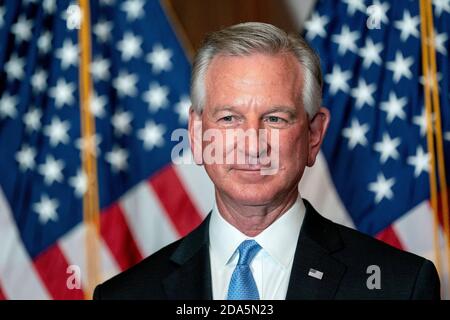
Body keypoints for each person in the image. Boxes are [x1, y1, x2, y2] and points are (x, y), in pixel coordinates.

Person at [93, 22, 440, 300]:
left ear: (314, 134)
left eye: (275, 118)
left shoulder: (400, 286)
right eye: (229, 118)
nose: (252, 144)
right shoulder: (124, 295)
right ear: (197, 134)